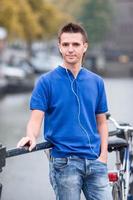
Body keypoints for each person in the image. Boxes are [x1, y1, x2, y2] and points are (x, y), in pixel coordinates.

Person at [17, 22, 112, 200]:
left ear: (85, 47)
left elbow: (101, 122)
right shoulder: (46, 82)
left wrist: (104, 155)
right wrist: (31, 136)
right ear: (59, 47)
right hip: (64, 163)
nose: (70, 49)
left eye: (75, 44)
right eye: (65, 44)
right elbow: (35, 120)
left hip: (95, 162)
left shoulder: (97, 82)